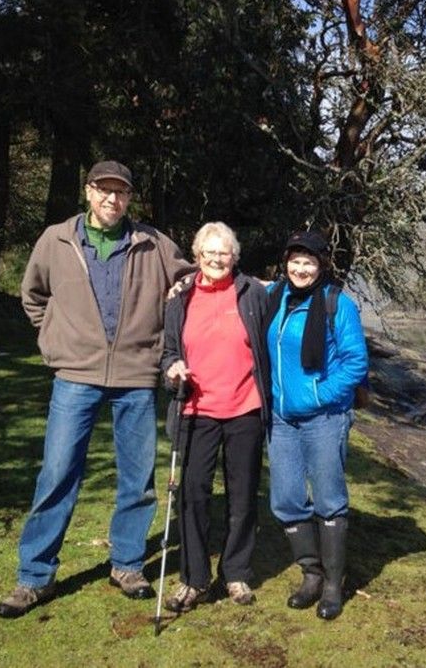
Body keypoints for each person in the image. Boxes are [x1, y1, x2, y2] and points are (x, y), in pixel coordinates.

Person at [0, 161, 193, 619]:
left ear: (129, 199)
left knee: (138, 478)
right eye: (104, 191)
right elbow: (34, 296)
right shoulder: (56, 240)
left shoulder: (154, 243)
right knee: (58, 473)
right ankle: (34, 577)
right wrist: (56, 340)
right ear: (88, 191)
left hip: (136, 377)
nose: (112, 200)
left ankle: (126, 565)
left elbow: (189, 282)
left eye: (120, 193)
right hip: (75, 377)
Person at [160, 222, 270, 612]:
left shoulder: (254, 292)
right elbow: (168, 350)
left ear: (234, 257)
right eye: (209, 253)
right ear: (197, 256)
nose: (216, 260)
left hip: (245, 408)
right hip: (196, 410)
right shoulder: (180, 297)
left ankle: (236, 572)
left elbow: (276, 333)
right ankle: (194, 578)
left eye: (224, 253)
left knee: (242, 495)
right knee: (192, 495)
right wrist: (172, 367)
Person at [264, 230, 368, 620]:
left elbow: (356, 362)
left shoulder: (337, 305)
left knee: (328, 498)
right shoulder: (275, 297)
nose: (301, 268)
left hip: (325, 416)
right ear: (286, 262)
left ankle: (332, 584)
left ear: (322, 265)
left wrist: (320, 394)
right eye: (295, 261)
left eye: (309, 262)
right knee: (287, 498)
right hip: (281, 417)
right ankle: (311, 573)